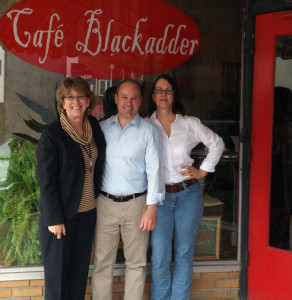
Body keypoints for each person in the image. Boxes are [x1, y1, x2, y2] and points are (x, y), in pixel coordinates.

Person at [148, 74, 225, 300]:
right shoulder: (145, 124)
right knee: (160, 257)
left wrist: (202, 171)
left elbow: (217, 144)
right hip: (159, 198)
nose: (163, 94)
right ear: (152, 96)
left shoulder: (189, 123)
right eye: (159, 90)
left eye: (168, 90)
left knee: (183, 255)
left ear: (174, 96)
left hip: (188, 194)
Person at [91, 78, 165, 300]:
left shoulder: (149, 132)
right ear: (115, 99)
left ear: (141, 101)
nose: (128, 103)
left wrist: (151, 208)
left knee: (137, 264)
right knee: (103, 264)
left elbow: (155, 171)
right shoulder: (101, 129)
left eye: (134, 98)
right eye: (124, 97)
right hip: (105, 204)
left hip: (137, 205)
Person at [36, 76, 106, 300]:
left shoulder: (93, 126)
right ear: (62, 102)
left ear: (88, 100)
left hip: (87, 214)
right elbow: (46, 183)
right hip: (61, 219)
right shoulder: (52, 136)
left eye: (81, 96)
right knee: (58, 279)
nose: (76, 101)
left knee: (77, 276)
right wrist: (54, 219)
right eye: (70, 97)